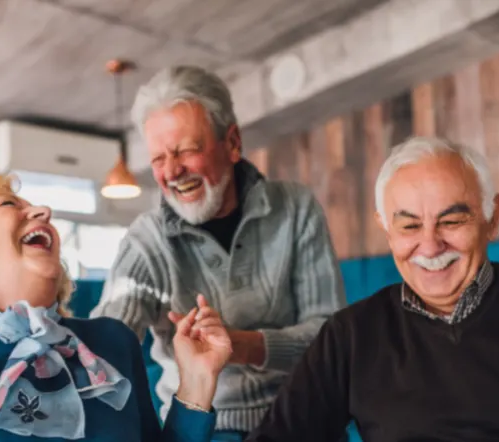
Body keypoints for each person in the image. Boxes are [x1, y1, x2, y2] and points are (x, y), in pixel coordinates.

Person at [246, 136, 499, 441]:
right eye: (409, 226)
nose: (429, 246)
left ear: (491, 218)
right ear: (387, 229)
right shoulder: (350, 336)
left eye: (452, 220)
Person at [0, 175, 233, 442]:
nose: (44, 211)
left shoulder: (111, 342)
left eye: (38, 207)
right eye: (10, 204)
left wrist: (197, 382)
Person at [91, 65, 346, 440]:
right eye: (158, 159)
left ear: (232, 142)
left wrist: (240, 345)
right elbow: (108, 340)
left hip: (300, 417)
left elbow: (331, 339)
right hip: (204, 429)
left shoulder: (295, 208)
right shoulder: (146, 240)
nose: (172, 171)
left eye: (186, 150)